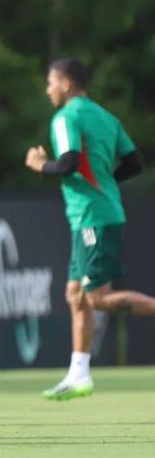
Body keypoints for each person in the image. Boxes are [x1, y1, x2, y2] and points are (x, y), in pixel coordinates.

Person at [24, 58, 152, 399]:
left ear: (65, 84)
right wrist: (107, 184)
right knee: (75, 295)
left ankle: (81, 373)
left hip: (93, 217)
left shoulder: (66, 116)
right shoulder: (106, 116)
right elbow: (134, 163)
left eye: (50, 82)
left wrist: (39, 165)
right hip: (97, 213)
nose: (47, 89)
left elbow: (67, 163)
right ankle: (79, 375)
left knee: (98, 298)